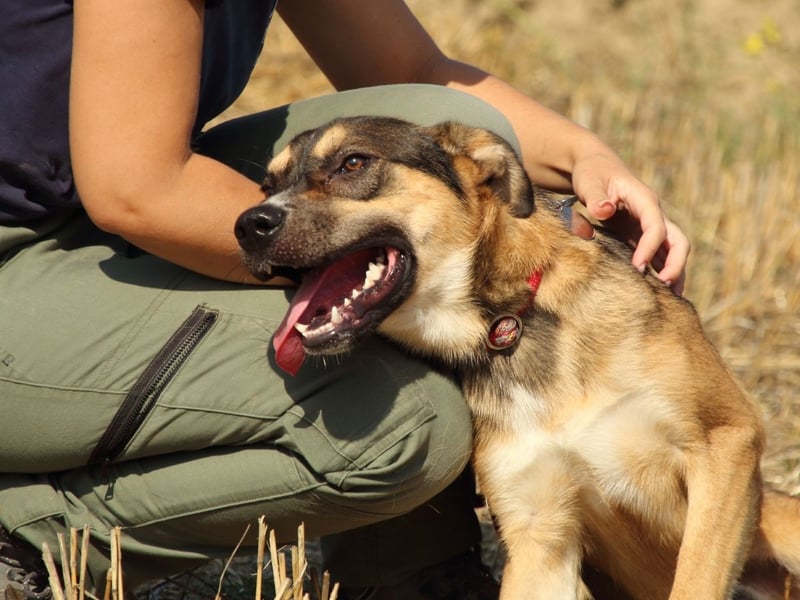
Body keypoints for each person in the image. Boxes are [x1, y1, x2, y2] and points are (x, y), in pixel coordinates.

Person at [0, 1, 690, 599]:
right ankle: (32, 535)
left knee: (436, 128)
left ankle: (411, 573)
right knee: (405, 425)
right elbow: (139, 192)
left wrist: (589, 160)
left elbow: (416, 70)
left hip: (81, 217)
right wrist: (368, 264)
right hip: (30, 248)